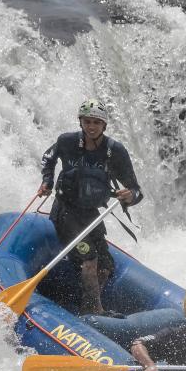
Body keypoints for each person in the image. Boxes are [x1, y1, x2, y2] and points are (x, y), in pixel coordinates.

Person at [37, 99, 143, 315]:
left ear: (104, 125)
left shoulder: (115, 151)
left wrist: (129, 196)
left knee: (105, 266)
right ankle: (95, 311)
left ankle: (86, 306)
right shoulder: (66, 141)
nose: (91, 127)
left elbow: (136, 190)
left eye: (96, 122)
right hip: (65, 211)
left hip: (90, 215)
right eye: (87, 122)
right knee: (89, 259)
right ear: (81, 122)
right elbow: (48, 158)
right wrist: (47, 181)